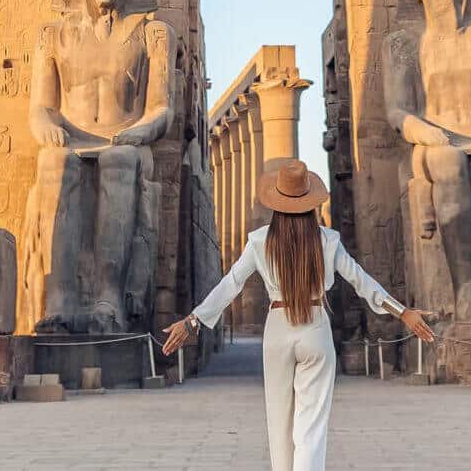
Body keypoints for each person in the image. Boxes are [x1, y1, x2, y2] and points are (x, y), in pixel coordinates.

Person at [162, 160, 435, 471]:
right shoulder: (328, 240)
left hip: (277, 329)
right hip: (315, 327)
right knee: (311, 429)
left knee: (279, 424)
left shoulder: (260, 241)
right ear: (310, 203)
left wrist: (192, 321)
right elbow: (361, 280)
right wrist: (403, 312)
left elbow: (231, 284)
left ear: (276, 202)